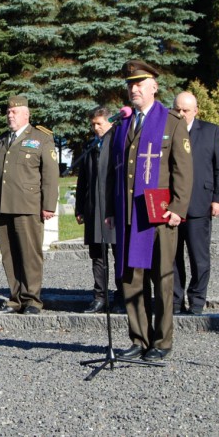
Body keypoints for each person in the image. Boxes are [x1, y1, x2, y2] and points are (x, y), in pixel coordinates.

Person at [107, 60, 193, 362]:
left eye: (139, 83)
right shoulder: (123, 125)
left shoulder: (171, 122)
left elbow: (183, 170)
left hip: (159, 214)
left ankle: (162, 340)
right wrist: (111, 209)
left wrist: (178, 208)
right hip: (129, 214)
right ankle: (138, 338)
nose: (134, 88)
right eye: (130, 84)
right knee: (131, 278)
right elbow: (115, 173)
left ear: (154, 86)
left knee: (162, 278)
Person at [0, 95, 60, 315]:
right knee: (9, 254)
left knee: (30, 253)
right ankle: (15, 298)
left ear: (26, 114)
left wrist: (48, 205)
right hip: (3, 206)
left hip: (28, 205)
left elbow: (50, 175)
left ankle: (32, 299)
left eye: (14, 112)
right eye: (8, 112)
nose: (10, 115)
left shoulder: (40, 138)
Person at [172, 92, 219, 315]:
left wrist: (218, 199)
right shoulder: (166, 132)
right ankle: (176, 301)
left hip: (200, 203)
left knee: (199, 257)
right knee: (173, 259)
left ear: (195, 110)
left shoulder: (210, 131)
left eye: (186, 110)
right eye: (177, 109)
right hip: (172, 206)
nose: (181, 114)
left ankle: (196, 301)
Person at [75, 106, 123, 314]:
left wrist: (114, 209)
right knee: (97, 255)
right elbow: (82, 180)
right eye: (93, 124)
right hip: (93, 208)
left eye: (99, 124)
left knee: (119, 254)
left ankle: (122, 296)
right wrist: (80, 207)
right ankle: (100, 296)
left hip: (114, 208)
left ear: (110, 122)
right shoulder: (90, 145)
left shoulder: (118, 142)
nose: (95, 128)